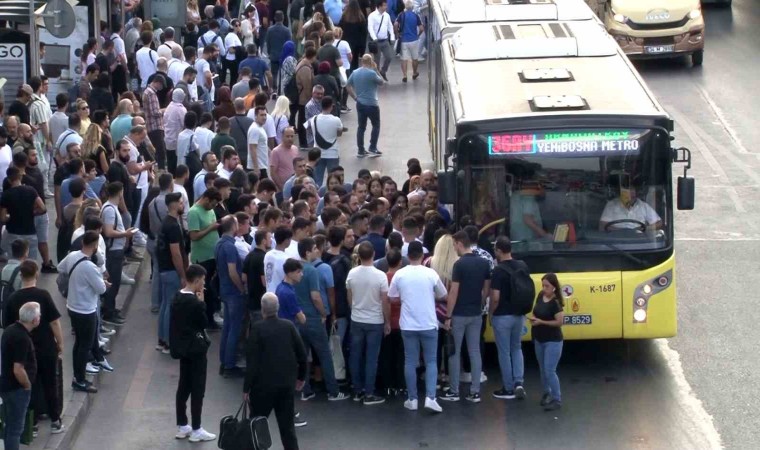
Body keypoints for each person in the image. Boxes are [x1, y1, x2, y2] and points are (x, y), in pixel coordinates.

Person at [3, 261, 65, 434]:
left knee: (29, 385)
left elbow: (7, 325)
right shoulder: (43, 295)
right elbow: (54, 322)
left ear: (21, 276)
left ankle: (33, 423)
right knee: (50, 383)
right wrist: (59, 342)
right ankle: (55, 420)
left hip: (24, 351)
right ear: (37, 274)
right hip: (46, 348)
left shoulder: (13, 298)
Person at [388, 241, 446, 413]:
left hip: (408, 325)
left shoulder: (400, 274)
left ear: (407, 256)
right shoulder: (430, 273)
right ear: (422, 255)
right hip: (428, 323)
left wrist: (404, 299)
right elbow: (443, 294)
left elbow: (392, 297)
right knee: (431, 361)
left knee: (410, 361)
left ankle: (412, 399)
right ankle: (430, 397)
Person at [244, 292, 308, 450]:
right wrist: (301, 377)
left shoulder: (257, 328)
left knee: (257, 425)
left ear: (262, 309)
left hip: (262, 387)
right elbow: (302, 354)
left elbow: (252, 361)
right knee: (287, 428)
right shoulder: (288, 326)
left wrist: (246, 387)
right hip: (286, 384)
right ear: (277, 308)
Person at [294, 238, 350, 401]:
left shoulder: (295, 269)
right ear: (307, 252)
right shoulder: (311, 271)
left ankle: (305, 390)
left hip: (299, 318)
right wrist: (324, 313)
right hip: (313, 318)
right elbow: (316, 296)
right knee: (324, 354)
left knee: (303, 356)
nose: (318, 251)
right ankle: (333, 391)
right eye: (314, 249)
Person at [439, 231, 491, 403]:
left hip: (459, 314)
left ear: (460, 243)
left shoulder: (459, 265)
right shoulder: (484, 263)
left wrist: (448, 316)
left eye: (454, 244)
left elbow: (453, 292)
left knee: (455, 352)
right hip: (476, 313)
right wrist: (481, 303)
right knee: (474, 351)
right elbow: (486, 288)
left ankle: (454, 391)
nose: (454, 248)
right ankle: (475, 391)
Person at [170, 264, 217, 442]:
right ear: (197, 280)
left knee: (183, 387)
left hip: (182, 349)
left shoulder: (177, 297)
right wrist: (202, 302)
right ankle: (197, 429)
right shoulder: (194, 303)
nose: (203, 283)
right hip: (196, 350)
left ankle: (182, 425)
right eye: (203, 280)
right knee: (198, 389)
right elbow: (203, 323)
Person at [59, 231, 107, 393]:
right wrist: (102, 281)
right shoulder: (90, 266)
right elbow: (101, 289)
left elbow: (61, 268)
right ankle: (79, 379)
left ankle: (77, 376)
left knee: (78, 343)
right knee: (84, 346)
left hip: (72, 306)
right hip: (86, 310)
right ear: (94, 246)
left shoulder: (72, 256)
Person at [346, 241, 390, 405]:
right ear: (373, 255)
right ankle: (369, 393)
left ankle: (357, 390)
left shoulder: (352, 273)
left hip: (357, 319)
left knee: (356, 355)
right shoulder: (380, 276)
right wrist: (386, 321)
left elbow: (349, 296)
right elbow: (384, 301)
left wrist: (354, 308)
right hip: (375, 320)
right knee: (372, 357)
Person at [490, 236, 529, 400]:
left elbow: (496, 297)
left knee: (504, 352)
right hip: (519, 314)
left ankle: (508, 388)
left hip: (502, 316)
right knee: (516, 348)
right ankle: (519, 382)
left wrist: (491, 313)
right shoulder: (522, 265)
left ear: (499, 250)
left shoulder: (498, 270)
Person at [0, 302, 40, 450]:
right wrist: (27, 385)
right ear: (34, 320)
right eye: (39, 315)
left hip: (5, 384)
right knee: (15, 429)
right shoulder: (22, 338)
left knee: (9, 426)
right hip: (16, 389)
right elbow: (18, 369)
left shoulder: (10, 330)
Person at [100, 182, 136, 326]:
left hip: (116, 250)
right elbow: (108, 231)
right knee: (113, 283)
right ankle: (108, 312)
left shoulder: (111, 208)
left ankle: (111, 309)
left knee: (115, 282)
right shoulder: (109, 209)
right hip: (113, 251)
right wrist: (125, 234)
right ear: (120, 192)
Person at [216, 215, 247, 377]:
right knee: (234, 328)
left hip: (225, 290)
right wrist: (241, 289)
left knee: (228, 327)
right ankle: (229, 365)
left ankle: (224, 361)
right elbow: (233, 271)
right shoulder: (230, 247)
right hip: (233, 292)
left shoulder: (220, 243)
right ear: (234, 226)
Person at [188, 188, 222, 328]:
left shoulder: (210, 210)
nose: (213, 207)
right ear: (207, 199)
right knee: (205, 289)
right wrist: (211, 228)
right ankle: (206, 320)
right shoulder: (194, 212)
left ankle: (211, 316)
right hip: (202, 258)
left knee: (212, 288)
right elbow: (194, 236)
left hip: (213, 255)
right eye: (213, 204)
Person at [531, 273, 565, 411]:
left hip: (553, 341)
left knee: (550, 370)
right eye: (543, 285)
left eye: (547, 286)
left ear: (554, 288)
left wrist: (541, 322)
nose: (544, 288)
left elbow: (559, 322)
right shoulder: (540, 296)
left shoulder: (556, 303)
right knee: (543, 369)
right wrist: (534, 318)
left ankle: (557, 398)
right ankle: (547, 393)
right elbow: (536, 310)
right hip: (539, 338)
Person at [0, 167, 45, 260]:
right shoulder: (31, 190)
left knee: (14, 262)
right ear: (20, 177)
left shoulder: (6, 195)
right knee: (31, 263)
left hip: (13, 233)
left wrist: (9, 216)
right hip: (30, 233)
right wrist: (33, 212)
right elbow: (43, 208)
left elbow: (3, 218)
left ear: (8, 179)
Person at [347, 54, 384, 158]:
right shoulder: (372, 73)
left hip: (360, 103)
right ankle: (372, 147)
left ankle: (361, 149)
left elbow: (347, 85)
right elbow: (382, 82)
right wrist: (376, 70)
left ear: (361, 61)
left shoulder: (355, 72)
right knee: (376, 125)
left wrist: (355, 97)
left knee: (361, 127)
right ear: (371, 61)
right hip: (372, 103)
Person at [307, 96, 343, 185]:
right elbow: (339, 133)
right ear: (331, 106)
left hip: (318, 154)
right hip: (332, 153)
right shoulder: (336, 120)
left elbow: (308, 129)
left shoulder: (314, 119)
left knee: (317, 181)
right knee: (334, 181)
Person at [394, 1, 423, 82]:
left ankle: (404, 75)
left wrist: (397, 34)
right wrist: (418, 35)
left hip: (404, 40)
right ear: (412, 7)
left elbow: (396, 24)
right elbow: (421, 28)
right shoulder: (416, 16)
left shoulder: (401, 15)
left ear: (405, 7)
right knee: (415, 58)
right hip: (414, 40)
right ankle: (414, 73)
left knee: (404, 59)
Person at [367, 0, 395, 80]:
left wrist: (392, 37)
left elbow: (390, 26)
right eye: (384, 5)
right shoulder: (372, 16)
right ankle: (377, 77)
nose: (386, 7)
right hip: (377, 41)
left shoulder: (386, 15)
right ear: (379, 6)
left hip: (385, 40)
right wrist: (374, 38)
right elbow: (370, 28)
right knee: (377, 60)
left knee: (389, 57)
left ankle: (383, 71)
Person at [294, 47, 317, 146]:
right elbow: (307, 85)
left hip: (302, 97)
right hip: (303, 98)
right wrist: (310, 99)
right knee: (303, 120)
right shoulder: (305, 68)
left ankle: (304, 142)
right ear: (313, 56)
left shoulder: (304, 64)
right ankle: (303, 143)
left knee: (302, 119)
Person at [264, 225, 293, 293]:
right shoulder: (286, 259)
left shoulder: (268, 254)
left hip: (268, 293)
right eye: (290, 239)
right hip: (280, 294)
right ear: (286, 240)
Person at [266, 11, 293, 84]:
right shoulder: (287, 30)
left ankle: (274, 88)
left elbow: (268, 43)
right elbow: (289, 44)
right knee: (284, 75)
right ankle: (282, 89)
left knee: (274, 74)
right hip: (284, 56)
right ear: (283, 18)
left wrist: (269, 52)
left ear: (274, 18)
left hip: (273, 55)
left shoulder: (270, 30)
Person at [247, 106, 270, 178]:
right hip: (258, 167)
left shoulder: (260, 127)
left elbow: (263, 145)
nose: (264, 117)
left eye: (265, 115)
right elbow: (252, 148)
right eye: (261, 115)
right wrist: (256, 168)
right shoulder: (255, 129)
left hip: (262, 165)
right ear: (256, 116)